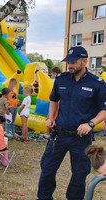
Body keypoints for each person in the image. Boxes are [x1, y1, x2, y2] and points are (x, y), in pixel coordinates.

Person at [37, 46, 106, 200]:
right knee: (47, 169)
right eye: (68, 62)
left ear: (84, 61)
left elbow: (104, 110)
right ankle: (44, 197)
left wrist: (90, 124)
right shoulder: (61, 79)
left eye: (73, 62)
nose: (70, 65)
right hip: (59, 135)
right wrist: (51, 117)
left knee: (79, 174)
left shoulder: (97, 83)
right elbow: (53, 99)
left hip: (81, 139)